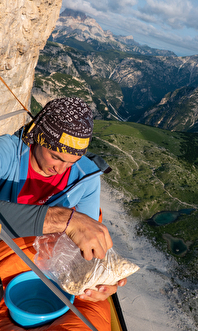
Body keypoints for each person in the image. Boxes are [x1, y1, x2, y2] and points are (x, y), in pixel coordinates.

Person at [0, 97, 126, 331]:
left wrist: (100, 278)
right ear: (38, 136)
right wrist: (64, 219)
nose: (60, 169)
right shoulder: (6, 154)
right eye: (55, 156)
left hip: (60, 276)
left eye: (72, 161)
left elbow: (83, 250)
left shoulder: (86, 177)